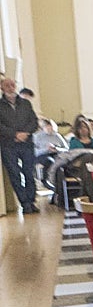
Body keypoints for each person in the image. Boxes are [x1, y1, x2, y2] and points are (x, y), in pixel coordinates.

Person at [0, 78, 41, 214]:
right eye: (7, 85)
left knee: (29, 172)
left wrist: (26, 133)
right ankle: (24, 203)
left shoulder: (25, 104)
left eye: (13, 85)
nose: (11, 87)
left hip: (27, 143)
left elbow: (34, 122)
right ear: (2, 88)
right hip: (8, 144)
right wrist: (14, 134)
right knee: (15, 174)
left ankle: (31, 200)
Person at [34, 118, 67, 187]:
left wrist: (57, 149)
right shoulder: (37, 136)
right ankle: (47, 181)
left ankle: (60, 181)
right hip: (42, 155)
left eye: (50, 126)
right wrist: (46, 149)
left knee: (61, 162)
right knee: (49, 161)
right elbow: (34, 151)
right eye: (46, 126)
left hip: (56, 154)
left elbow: (66, 149)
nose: (49, 128)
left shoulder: (57, 136)